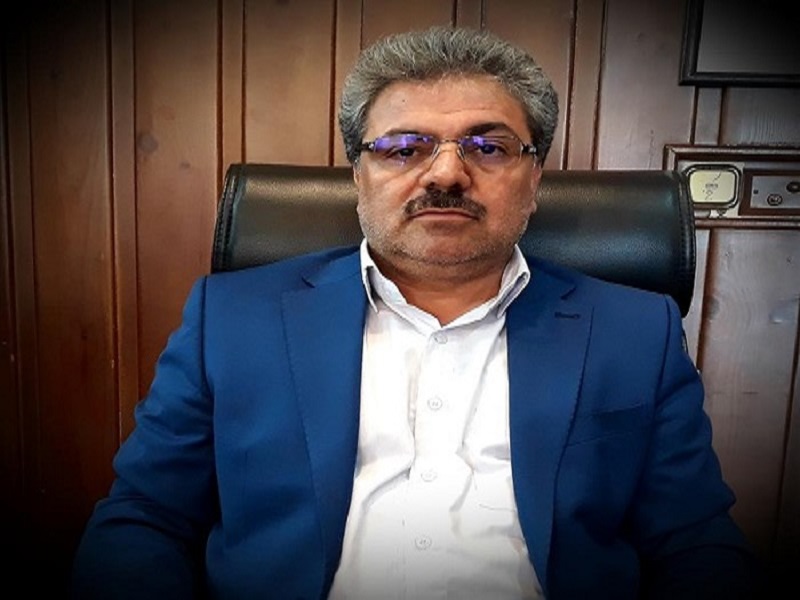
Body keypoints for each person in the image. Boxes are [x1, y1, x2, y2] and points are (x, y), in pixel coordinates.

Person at [71, 26, 762, 599]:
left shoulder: (634, 333)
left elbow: (693, 541)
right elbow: (146, 517)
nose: (446, 173)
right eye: (404, 148)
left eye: (489, 147)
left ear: (534, 178)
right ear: (358, 175)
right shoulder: (231, 319)